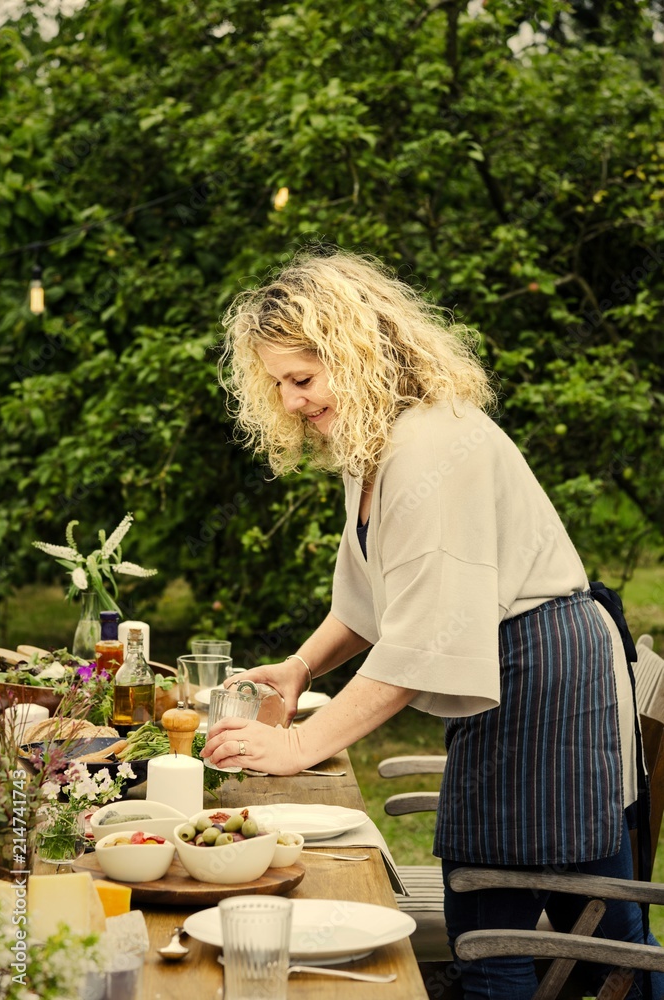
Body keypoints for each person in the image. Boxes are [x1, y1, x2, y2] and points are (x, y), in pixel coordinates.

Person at [202, 248, 662, 999]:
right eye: (278, 384)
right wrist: (298, 669)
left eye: (302, 379)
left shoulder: (430, 446)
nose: (289, 403)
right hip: (523, 669)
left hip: (538, 681)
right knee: (599, 924)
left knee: (497, 931)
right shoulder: (376, 443)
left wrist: (297, 744)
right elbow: (369, 600)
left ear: (353, 356)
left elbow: (420, 645)